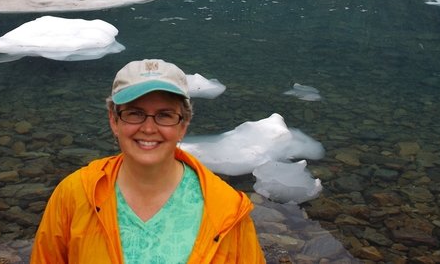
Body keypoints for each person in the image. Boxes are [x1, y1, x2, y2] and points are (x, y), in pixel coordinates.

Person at [30, 58, 266, 263]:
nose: (149, 128)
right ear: (114, 120)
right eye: (135, 113)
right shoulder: (75, 194)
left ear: (183, 124)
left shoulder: (226, 210)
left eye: (164, 115)